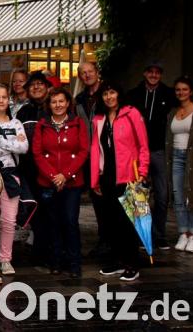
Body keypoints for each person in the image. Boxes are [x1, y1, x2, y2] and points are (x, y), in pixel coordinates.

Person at [90, 81, 149, 282]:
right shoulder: (99, 119)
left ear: (119, 93)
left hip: (128, 176)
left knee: (128, 223)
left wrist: (142, 170)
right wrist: (94, 178)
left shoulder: (131, 114)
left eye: (112, 91)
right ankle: (117, 261)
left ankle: (132, 264)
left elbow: (143, 144)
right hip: (106, 176)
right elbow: (96, 150)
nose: (109, 97)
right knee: (110, 222)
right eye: (105, 93)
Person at [32, 89, 89, 278]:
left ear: (68, 103)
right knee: (53, 223)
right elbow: (37, 153)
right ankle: (55, 261)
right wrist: (53, 175)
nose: (58, 105)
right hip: (48, 183)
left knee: (70, 222)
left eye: (61, 101)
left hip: (72, 183)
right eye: (54, 102)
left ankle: (74, 263)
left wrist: (65, 174)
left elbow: (83, 151)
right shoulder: (42, 125)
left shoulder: (78, 123)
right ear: (49, 105)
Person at [127, 62, 176, 250]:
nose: (154, 75)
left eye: (158, 72)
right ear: (145, 73)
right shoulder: (134, 94)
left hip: (158, 150)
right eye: (151, 72)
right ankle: (141, 234)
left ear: (161, 75)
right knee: (140, 196)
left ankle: (159, 235)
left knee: (162, 195)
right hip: (138, 151)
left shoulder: (168, 94)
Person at [0, 84, 28, 276]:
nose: (1, 101)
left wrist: (0, 141)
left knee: (9, 220)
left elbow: (24, 147)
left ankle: (6, 259)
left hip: (11, 175)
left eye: (4, 97)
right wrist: (11, 143)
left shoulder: (16, 123)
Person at [15, 71, 52, 265]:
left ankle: (54, 252)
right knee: (36, 212)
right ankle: (40, 253)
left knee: (53, 212)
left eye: (40, 84)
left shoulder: (54, 108)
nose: (36, 87)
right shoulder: (23, 112)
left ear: (47, 87)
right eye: (32, 85)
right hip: (30, 170)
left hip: (52, 170)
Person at [166, 76, 193, 253]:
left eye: (184, 89)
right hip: (176, 157)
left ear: (191, 92)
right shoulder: (173, 112)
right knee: (178, 197)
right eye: (178, 90)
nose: (181, 92)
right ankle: (183, 233)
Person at [75, 62, 108, 258]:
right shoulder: (79, 99)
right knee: (96, 200)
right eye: (83, 73)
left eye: (90, 72)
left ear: (97, 72)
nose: (87, 75)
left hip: (105, 153)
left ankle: (109, 241)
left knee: (107, 199)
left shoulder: (108, 93)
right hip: (87, 155)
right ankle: (103, 241)